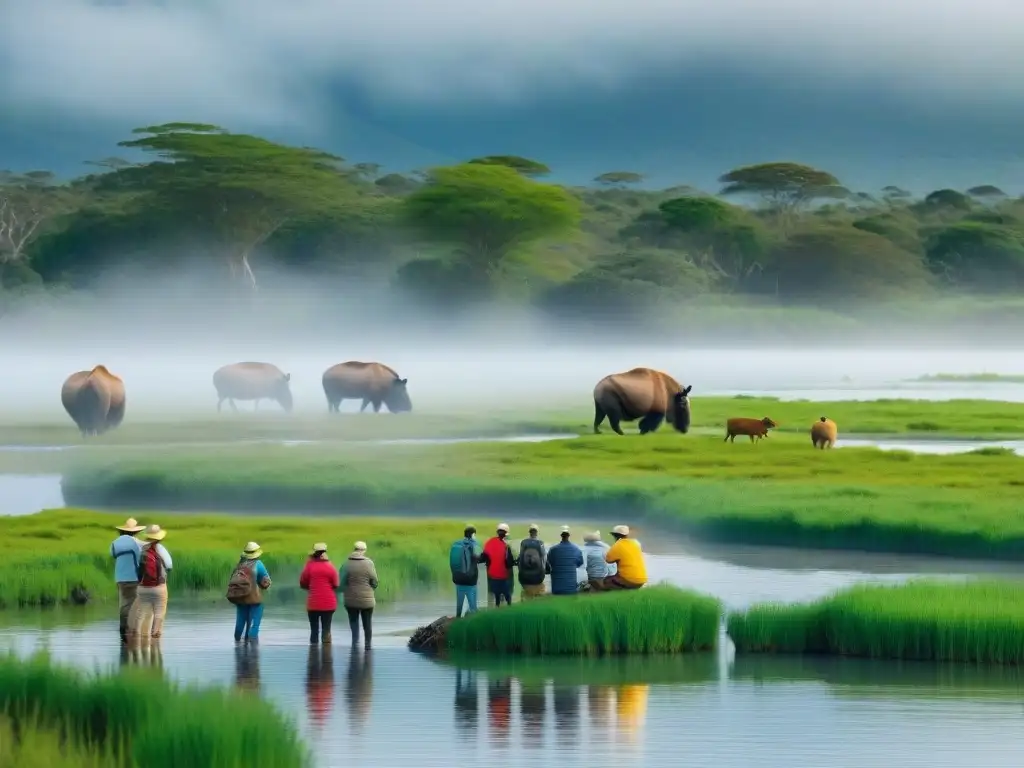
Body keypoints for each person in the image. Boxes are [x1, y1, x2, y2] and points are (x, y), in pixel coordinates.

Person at [130, 524, 172, 641]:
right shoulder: (161, 549)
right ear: (160, 537)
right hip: (159, 586)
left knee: (141, 612)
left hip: (143, 587)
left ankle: (137, 638)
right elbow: (169, 565)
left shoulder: (143, 549)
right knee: (159, 612)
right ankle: (155, 637)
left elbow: (139, 567)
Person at [228, 541, 272, 643]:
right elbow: (266, 582)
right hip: (254, 599)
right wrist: (264, 585)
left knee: (240, 623)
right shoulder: (258, 564)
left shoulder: (239, 564)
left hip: (240, 598)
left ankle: (237, 645)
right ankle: (252, 649)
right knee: (254, 624)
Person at [110, 517, 144, 644]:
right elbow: (141, 556)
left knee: (123, 603)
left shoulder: (115, 542)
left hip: (119, 578)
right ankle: (133, 629)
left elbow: (112, 554)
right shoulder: (136, 543)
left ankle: (122, 628)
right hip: (134, 577)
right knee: (135, 603)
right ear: (134, 531)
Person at [300, 542, 340, 645]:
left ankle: (313, 657)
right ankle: (326, 657)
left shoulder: (309, 566)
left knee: (314, 632)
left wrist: (311, 587)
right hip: (328, 604)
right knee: (326, 631)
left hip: (313, 603)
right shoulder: (330, 567)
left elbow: (303, 583)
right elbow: (336, 584)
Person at [341, 541, 378, 648]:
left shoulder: (346, 563)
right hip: (367, 601)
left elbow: (341, 583)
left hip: (350, 601)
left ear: (354, 549)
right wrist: (371, 589)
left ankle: (355, 645)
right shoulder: (369, 563)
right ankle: (368, 646)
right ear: (364, 550)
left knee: (354, 624)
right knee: (367, 624)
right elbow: (375, 581)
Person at [449, 525, 482, 617]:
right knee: (473, 605)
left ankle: (458, 617)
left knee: (459, 603)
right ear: (472, 534)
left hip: (458, 578)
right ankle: (474, 619)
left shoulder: (457, 544)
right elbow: (479, 557)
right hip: (470, 580)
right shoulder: (473, 544)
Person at [480, 523, 515, 607]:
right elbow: (510, 562)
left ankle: (494, 607)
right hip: (503, 574)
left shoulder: (490, 542)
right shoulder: (507, 545)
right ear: (506, 533)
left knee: (493, 593)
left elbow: (483, 557)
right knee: (506, 592)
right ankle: (506, 606)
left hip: (492, 574)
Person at [603, 525, 648, 590]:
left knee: (606, 581)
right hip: (642, 580)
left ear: (615, 535)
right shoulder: (636, 543)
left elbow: (608, 560)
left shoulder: (618, 545)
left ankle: (619, 593)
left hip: (630, 580)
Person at [546, 526, 584, 596]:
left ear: (561, 536)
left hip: (556, 588)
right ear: (568, 536)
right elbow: (579, 563)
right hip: (571, 588)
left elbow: (549, 563)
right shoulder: (576, 549)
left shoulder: (553, 550)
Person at [517, 524, 549, 600]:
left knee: (526, 595)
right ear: (536, 533)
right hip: (538, 578)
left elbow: (520, 559)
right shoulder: (540, 543)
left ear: (529, 532)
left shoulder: (523, 542)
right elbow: (544, 560)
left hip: (524, 578)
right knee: (539, 594)